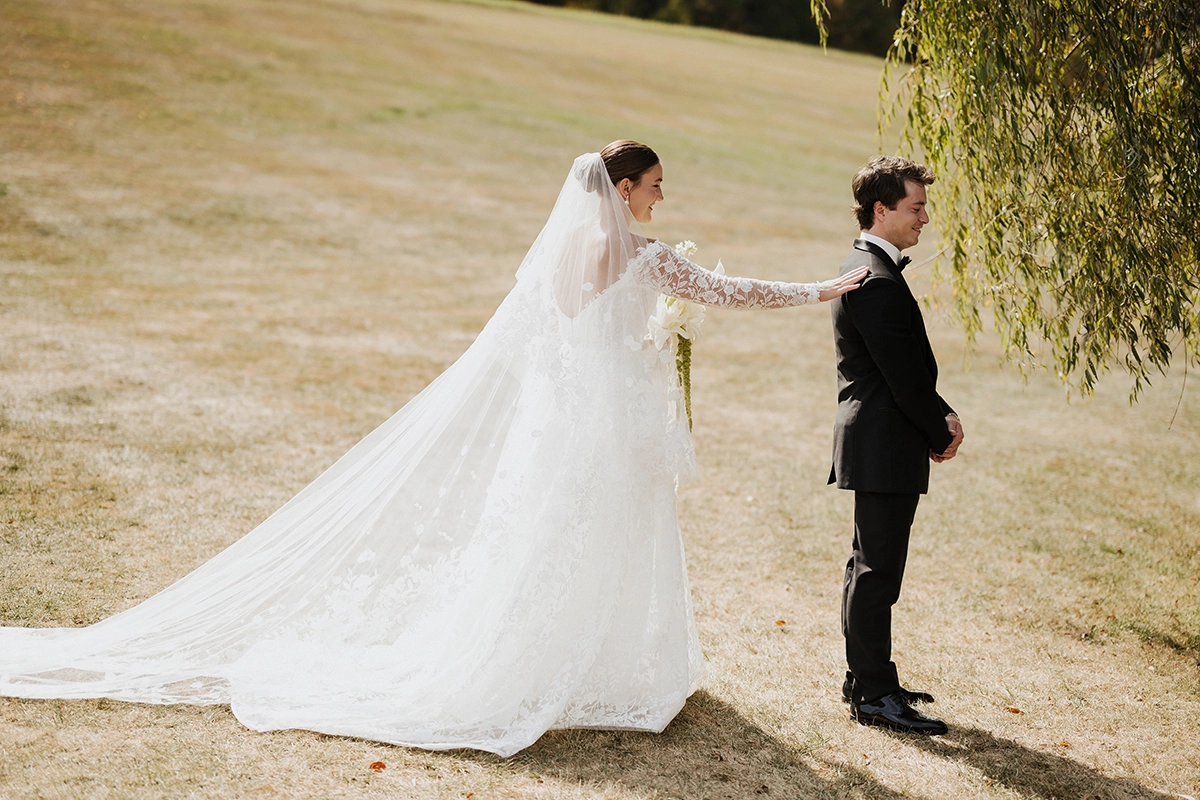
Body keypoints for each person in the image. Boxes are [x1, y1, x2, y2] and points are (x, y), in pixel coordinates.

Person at [0, 141, 865, 757]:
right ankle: (567, 669)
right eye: (656, 186)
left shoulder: (562, 260)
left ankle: (559, 661)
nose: (662, 199)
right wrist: (822, 286)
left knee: (551, 539)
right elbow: (732, 292)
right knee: (597, 537)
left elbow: (557, 343)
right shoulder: (646, 257)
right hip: (610, 427)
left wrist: (638, 347)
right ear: (627, 188)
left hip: (566, 423)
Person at [828, 154, 964, 735]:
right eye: (915, 207)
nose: (925, 218)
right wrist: (940, 428)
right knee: (878, 571)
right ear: (880, 210)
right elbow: (905, 379)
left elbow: (904, 371)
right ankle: (874, 695)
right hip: (885, 440)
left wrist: (943, 413)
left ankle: (868, 678)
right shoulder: (874, 281)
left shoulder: (868, 268)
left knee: (869, 565)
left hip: (884, 436)